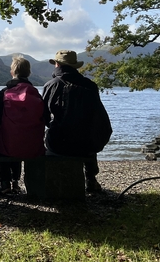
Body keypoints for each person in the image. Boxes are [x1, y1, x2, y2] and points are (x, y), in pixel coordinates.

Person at [42, 49, 111, 193]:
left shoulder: (51, 85)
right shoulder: (90, 85)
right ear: (75, 66)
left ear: (57, 64)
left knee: (52, 134)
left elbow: (44, 117)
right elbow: (96, 116)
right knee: (87, 132)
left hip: (58, 144)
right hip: (85, 145)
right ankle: (91, 179)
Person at [0, 55, 46, 194]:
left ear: (12, 72)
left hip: (8, 147)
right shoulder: (35, 94)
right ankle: (16, 182)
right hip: (33, 147)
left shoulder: (3, 93)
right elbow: (46, 117)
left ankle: (4, 182)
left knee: (7, 136)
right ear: (28, 73)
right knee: (20, 136)